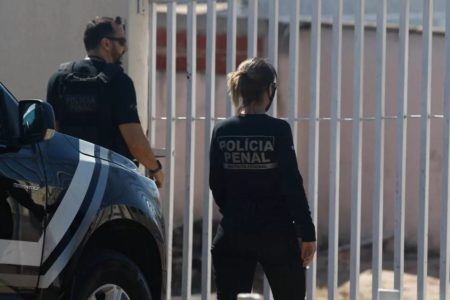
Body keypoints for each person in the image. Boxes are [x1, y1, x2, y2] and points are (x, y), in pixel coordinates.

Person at [209, 57, 316, 299]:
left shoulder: (222, 131)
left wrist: (237, 211)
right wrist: (307, 232)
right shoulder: (278, 130)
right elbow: (291, 185)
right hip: (276, 233)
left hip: (234, 232)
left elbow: (216, 183)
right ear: (269, 90)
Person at [47, 16, 164, 187]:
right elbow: (135, 142)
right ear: (106, 44)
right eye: (122, 41)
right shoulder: (119, 82)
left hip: (68, 179)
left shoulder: (58, 79)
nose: (126, 47)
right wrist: (156, 169)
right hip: (110, 181)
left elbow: (52, 133)